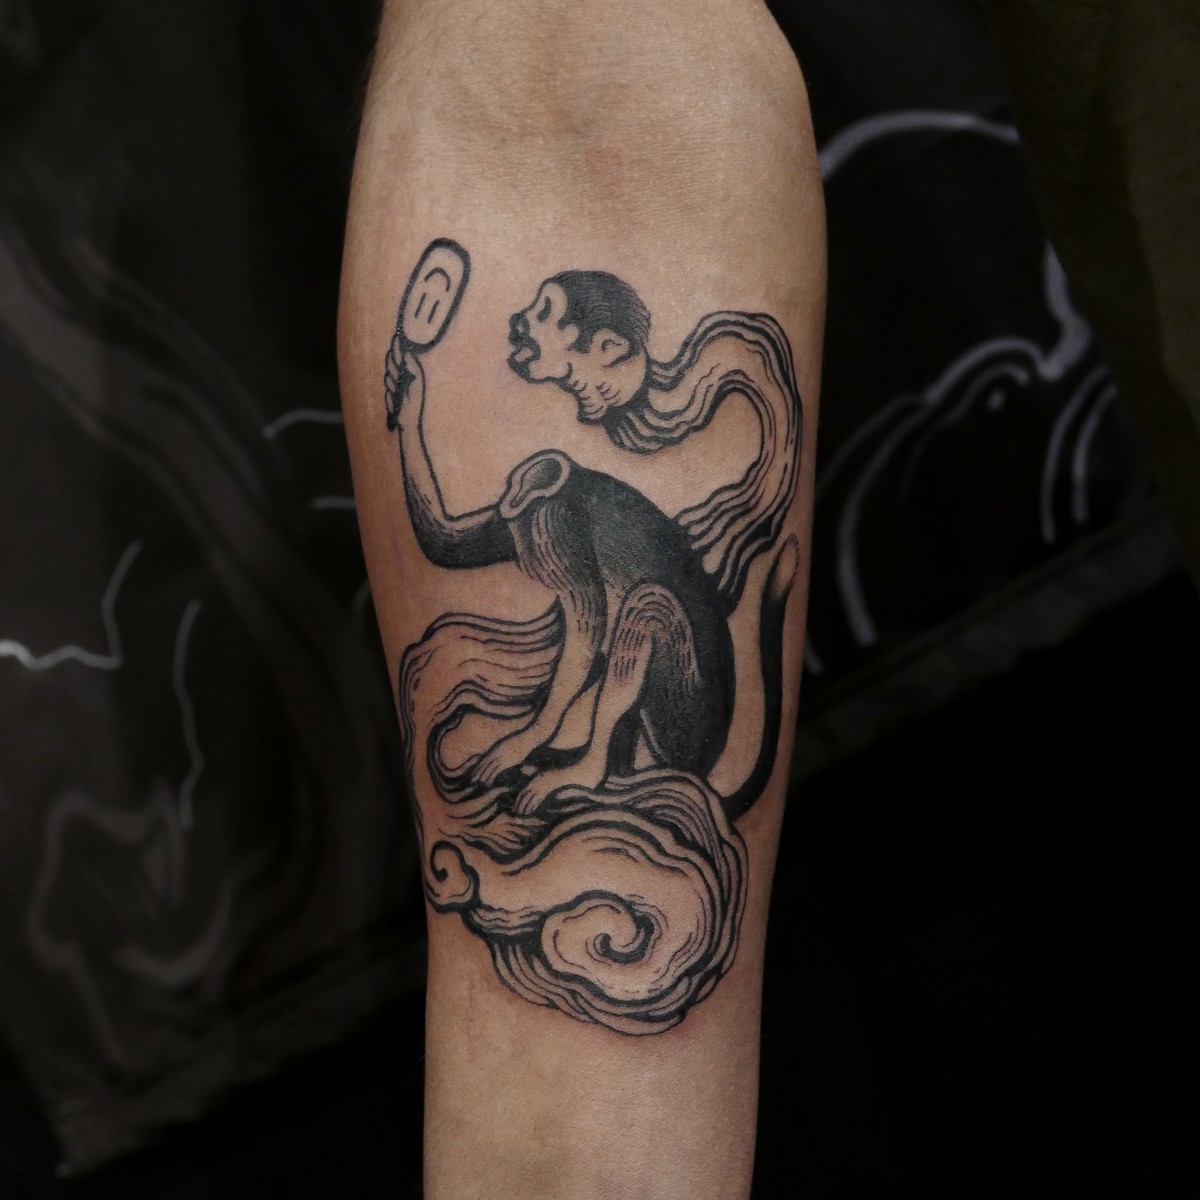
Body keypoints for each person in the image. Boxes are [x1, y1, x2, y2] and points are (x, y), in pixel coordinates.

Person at [337, 1, 823, 1194]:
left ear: (602, 352)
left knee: (628, 625)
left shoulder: (575, 499)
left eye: (547, 324)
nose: (523, 327)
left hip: (674, 700)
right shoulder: (541, 492)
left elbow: (573, 94)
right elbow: (444, 536)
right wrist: (411, 411)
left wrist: (555, 752)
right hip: (645, 713)